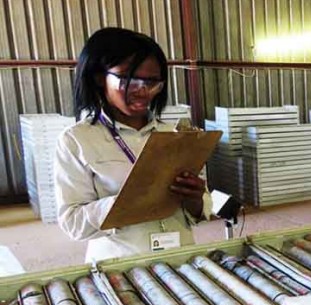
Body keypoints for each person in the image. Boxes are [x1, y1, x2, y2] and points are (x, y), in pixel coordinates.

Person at [55, 27, 211, 263]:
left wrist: (196, 198)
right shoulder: (77, 141)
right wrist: (127, 201)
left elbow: (201, 210)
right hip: (122, 267)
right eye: (129, 78)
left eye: (152, 82)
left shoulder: (177, 136)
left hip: (181, 260)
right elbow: (73, 223)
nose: (142, 90)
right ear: (99, 77)